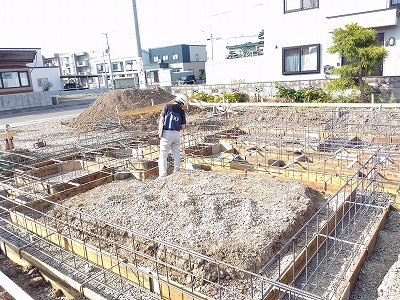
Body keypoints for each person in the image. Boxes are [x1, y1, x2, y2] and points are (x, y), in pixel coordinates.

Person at [158, 94, 187, 177]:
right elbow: (183, 126)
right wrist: (177, 128)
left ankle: (163, 175)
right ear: (183, 103)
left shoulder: (167, 106)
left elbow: (161, 121)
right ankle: (177, 171)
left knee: (163, 155)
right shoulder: (182, 111)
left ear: (176, 99)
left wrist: (160, 133)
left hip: (167, 133)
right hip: (176, 134)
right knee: (177, 153)